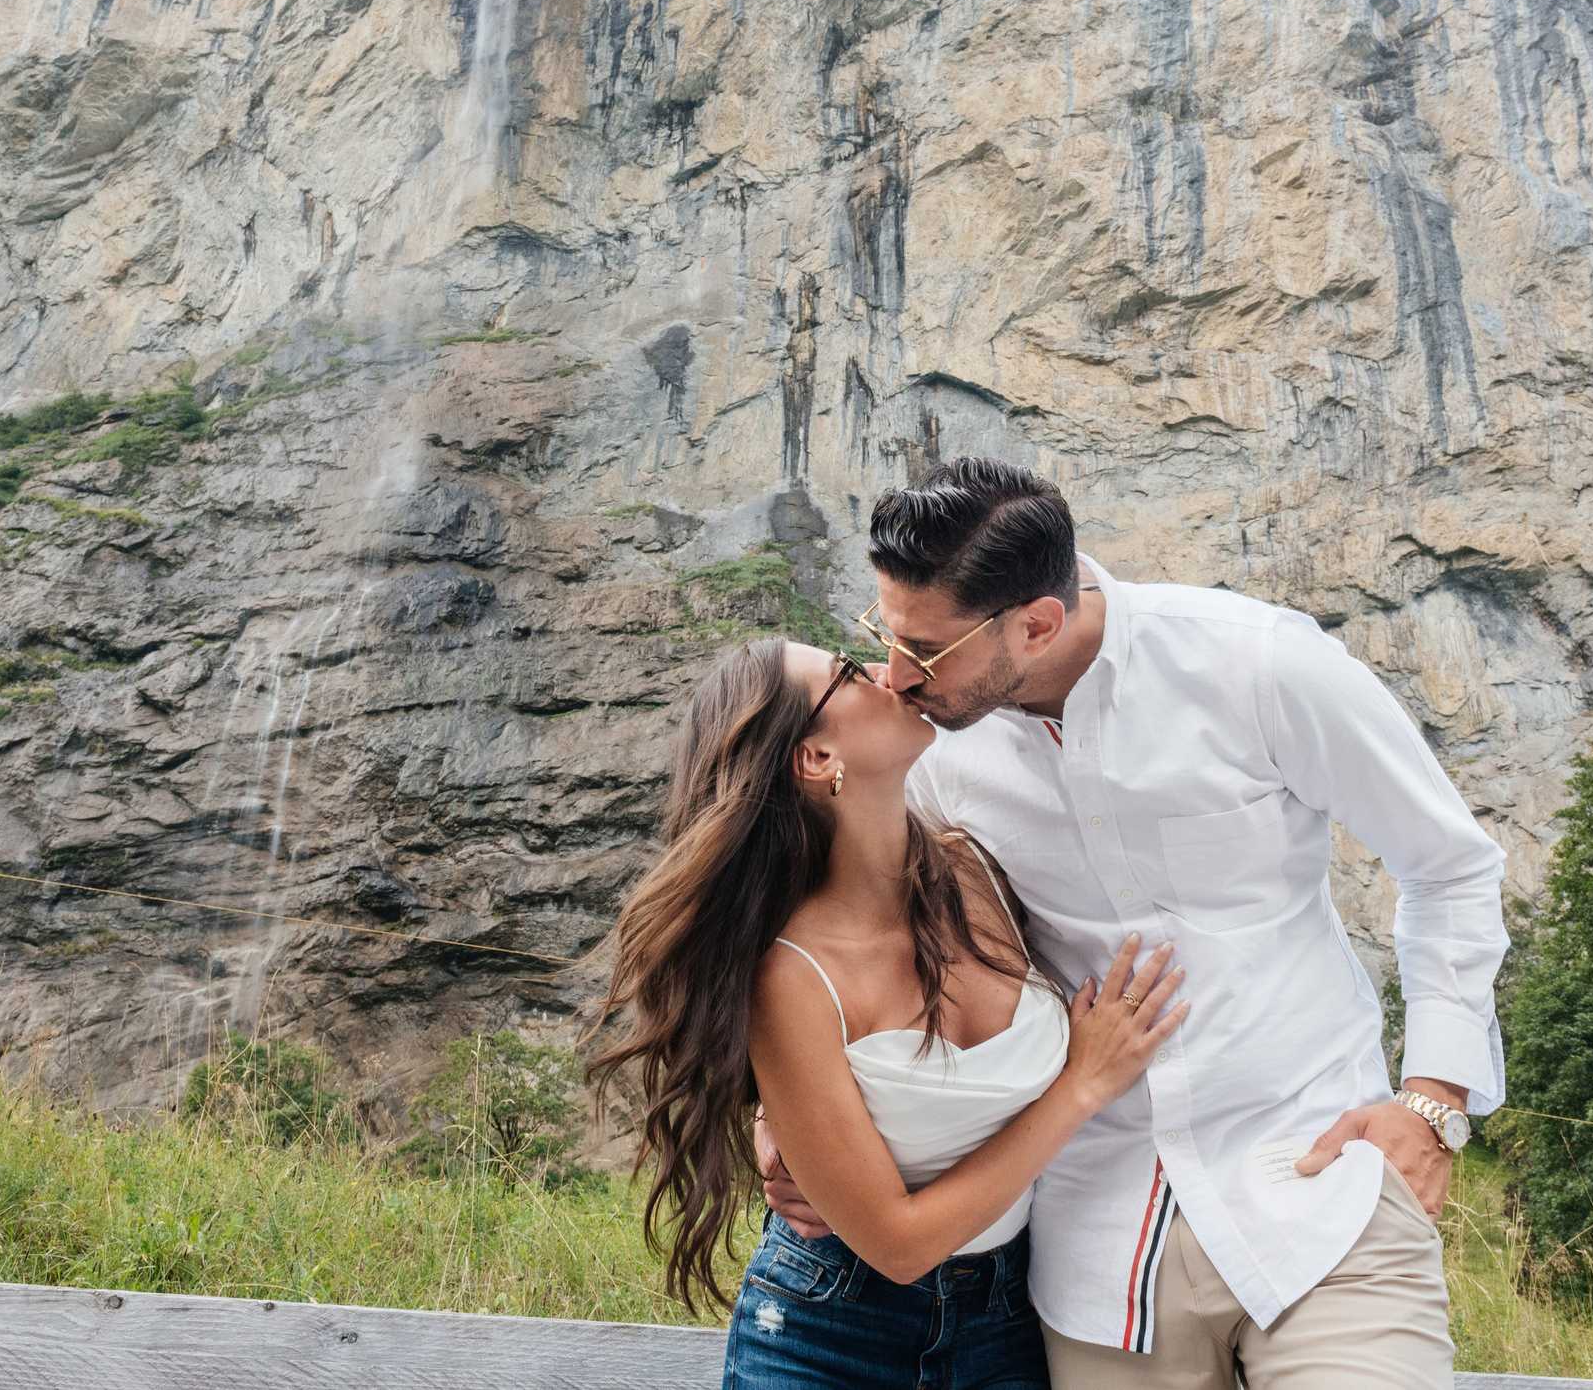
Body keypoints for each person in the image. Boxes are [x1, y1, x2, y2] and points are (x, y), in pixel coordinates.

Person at [759, 458, 1508, 1389]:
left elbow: (1449, 864)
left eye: (928, 649)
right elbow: (836, 924)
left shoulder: (1257, 663)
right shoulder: (931, 749)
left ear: (1036, 623)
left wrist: (1435, 1104)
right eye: (888, 633)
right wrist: (787, 1117)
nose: (898, 676)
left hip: (1320, 1192)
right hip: (1097, 1253)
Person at [592, 634, 1193, 1389]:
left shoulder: (975, 869)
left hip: (1010, 1318)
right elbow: (901, 1245)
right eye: (848, 673)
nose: (887, 672)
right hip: (828, 1332)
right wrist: (1080, 1085)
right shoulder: (790, 975)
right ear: (815, 759)